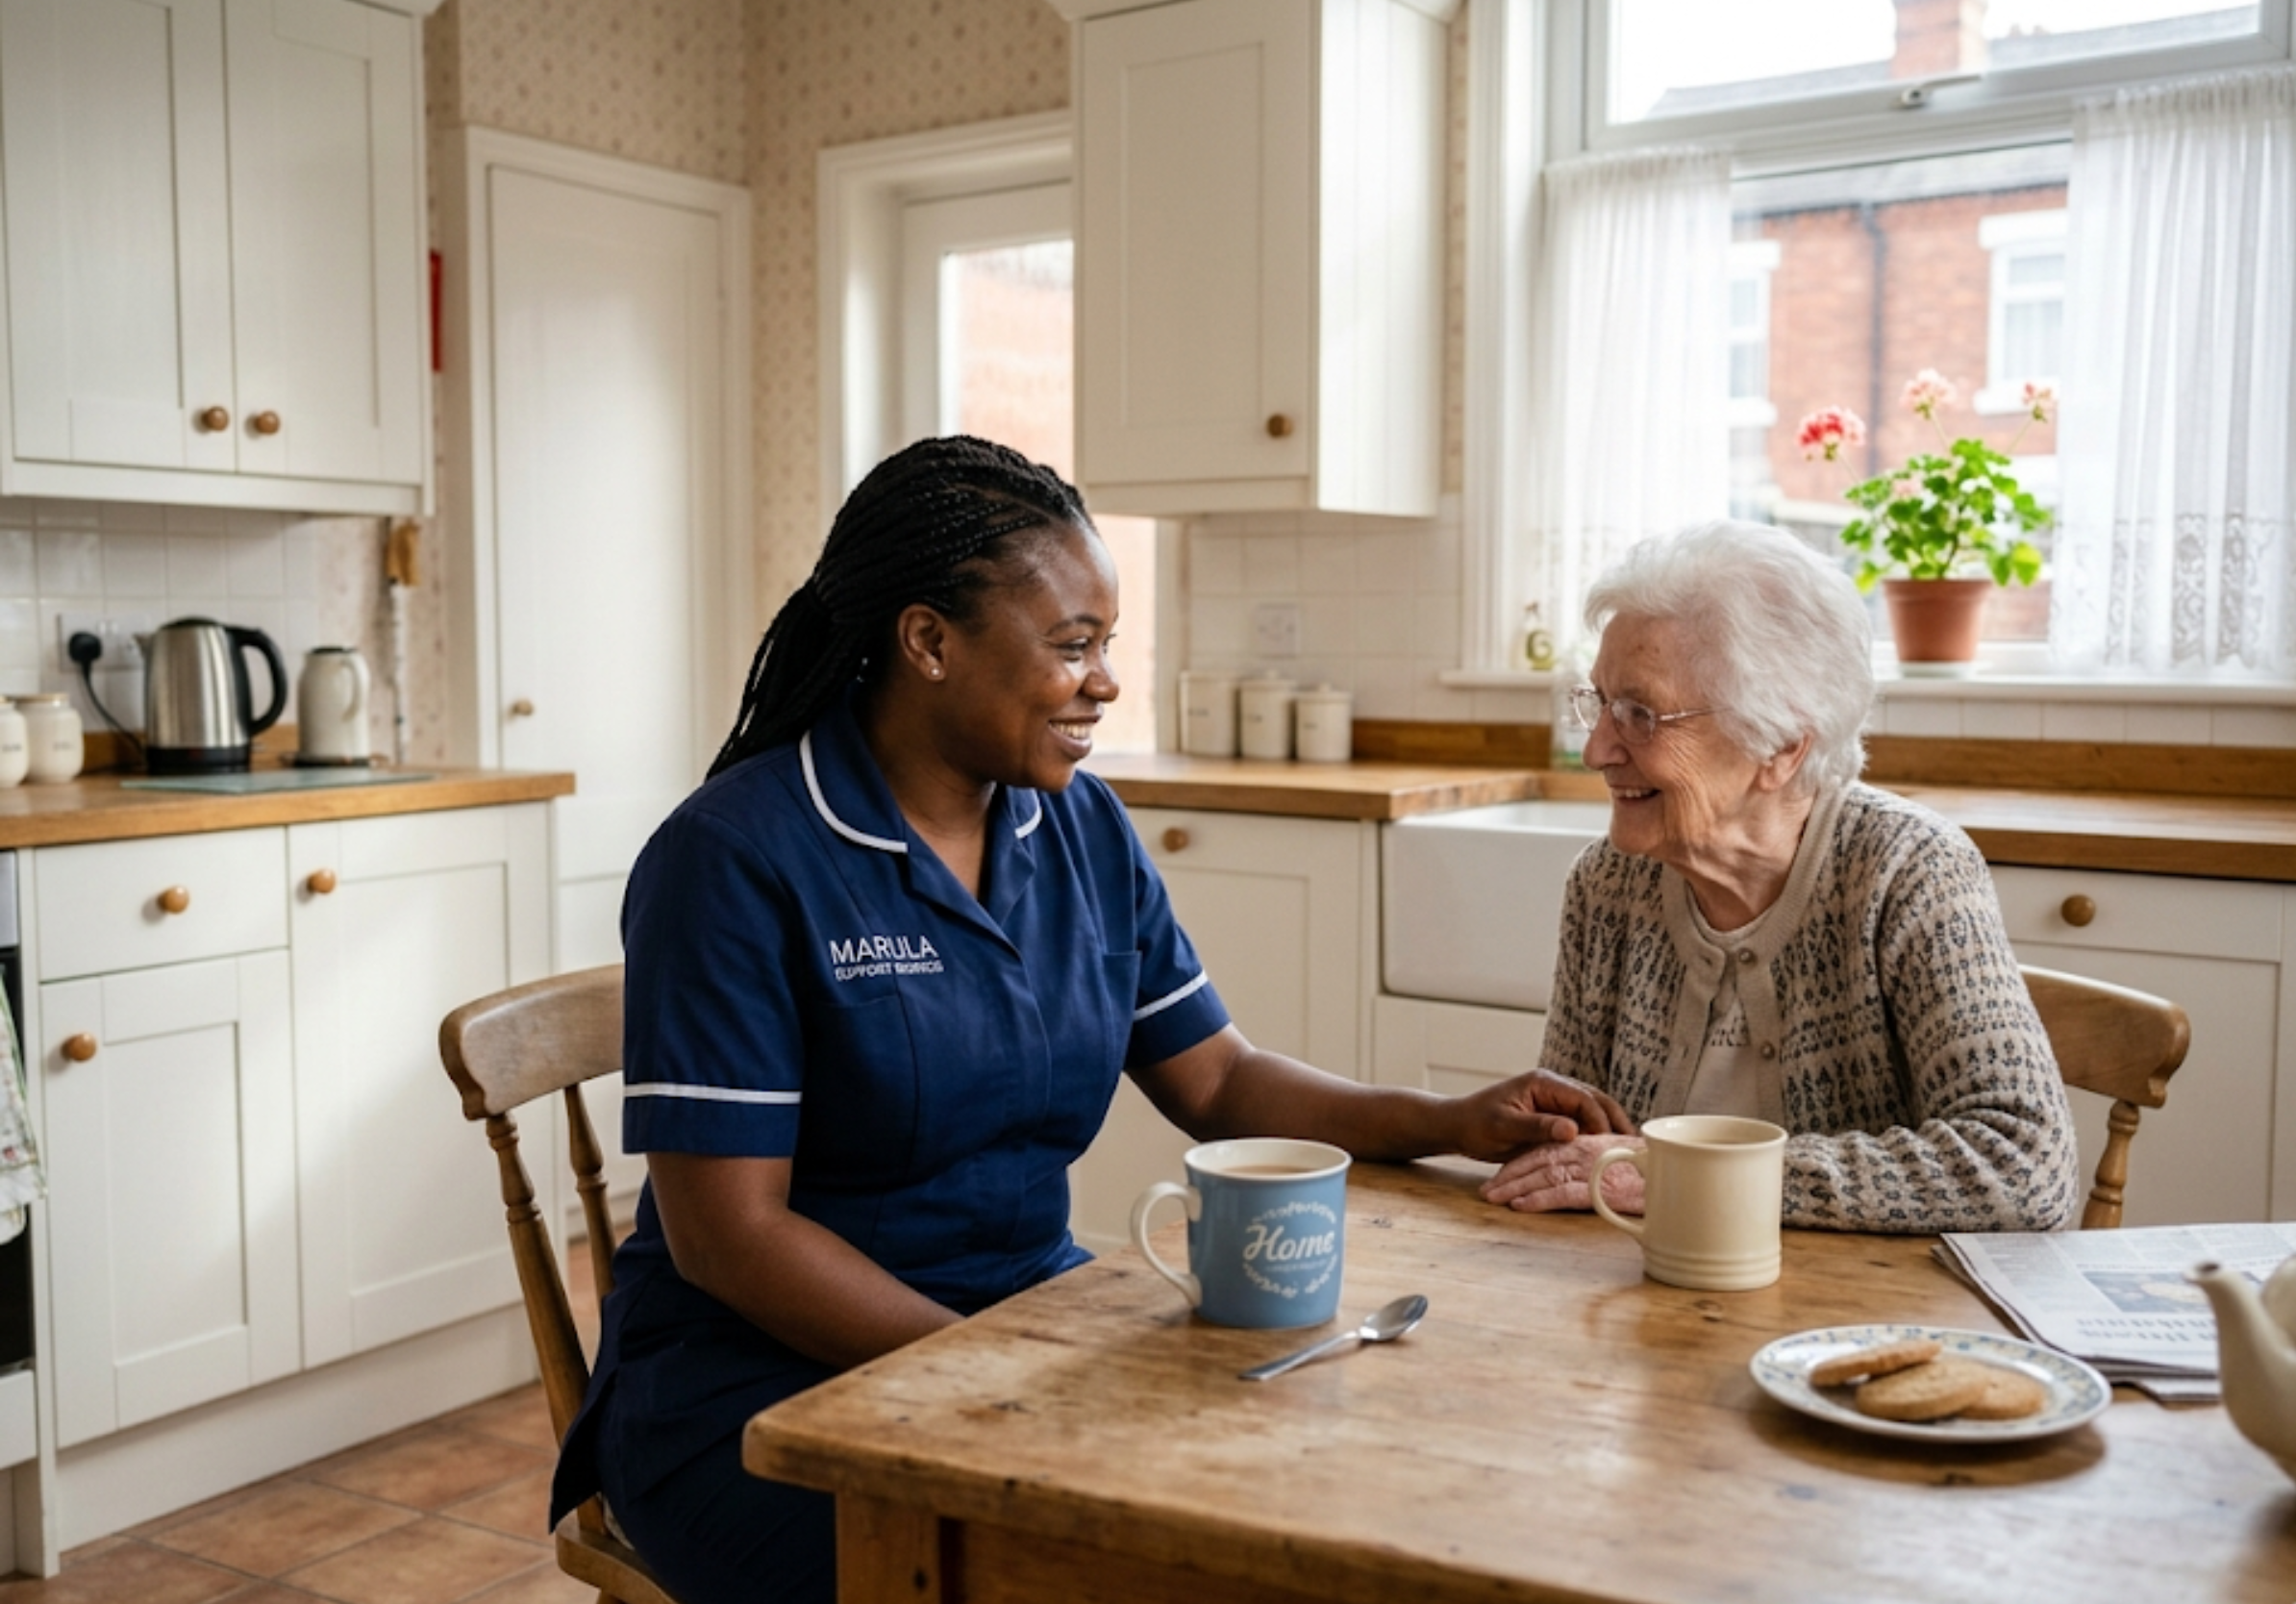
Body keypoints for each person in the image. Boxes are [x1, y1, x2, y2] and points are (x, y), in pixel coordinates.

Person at [549, 436, 1630, 1604]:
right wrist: (1006, 1367)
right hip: (756, 1392)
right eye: (1074, 646)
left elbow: (1217, 1079)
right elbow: (731, 1240)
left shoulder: (1078, 830)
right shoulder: (734, 859)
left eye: (1106, 645)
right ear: (928, 642)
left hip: (1024, 1325)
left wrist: (1452, 1118)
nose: (1106, 681)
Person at [1481, 519, 2079, 1236]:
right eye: (1600, 703)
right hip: (1646, 1305)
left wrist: (1682, 1175)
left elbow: (2024, 1166)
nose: (1597, 748)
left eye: (1640, 713)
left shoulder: (1906, 872)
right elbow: (1570, 1153)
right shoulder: (1610, 885)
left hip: (1863, 1321)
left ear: (1782, 747)